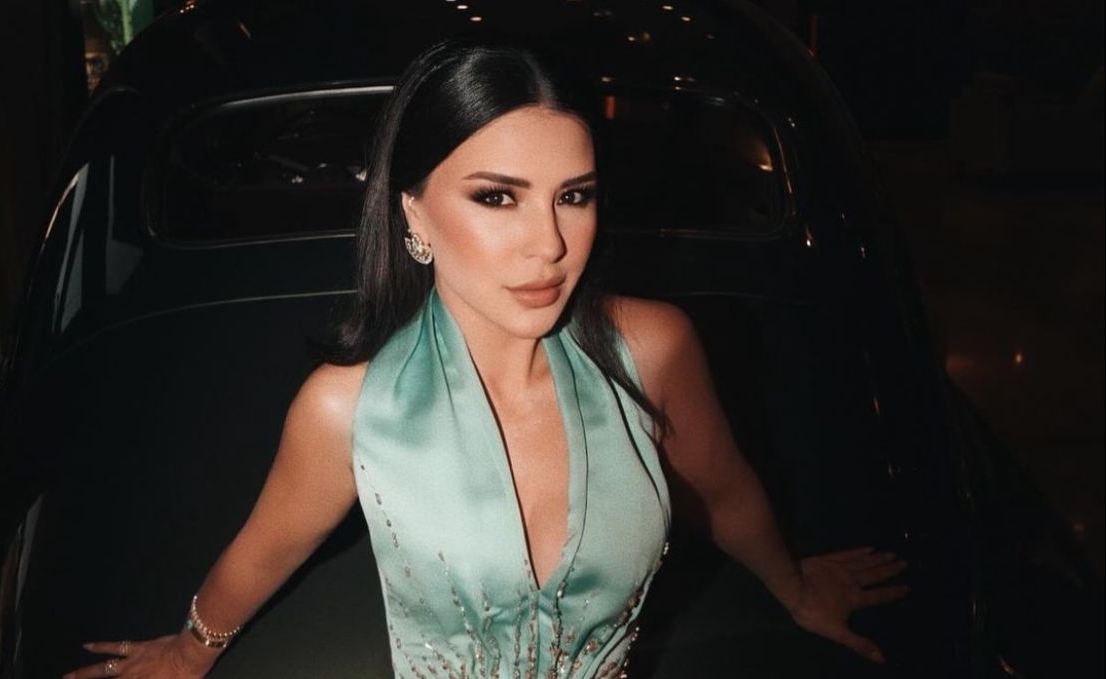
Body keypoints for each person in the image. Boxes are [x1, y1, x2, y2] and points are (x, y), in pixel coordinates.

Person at [64, 37, 908, 679]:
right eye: (497, 197)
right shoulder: (349, 407)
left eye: (573, 196)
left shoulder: (654, 347)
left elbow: (720, 487)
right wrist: (191, 648)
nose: (549, 244)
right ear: (414, 213)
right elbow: (264, 548)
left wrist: (795, 588)